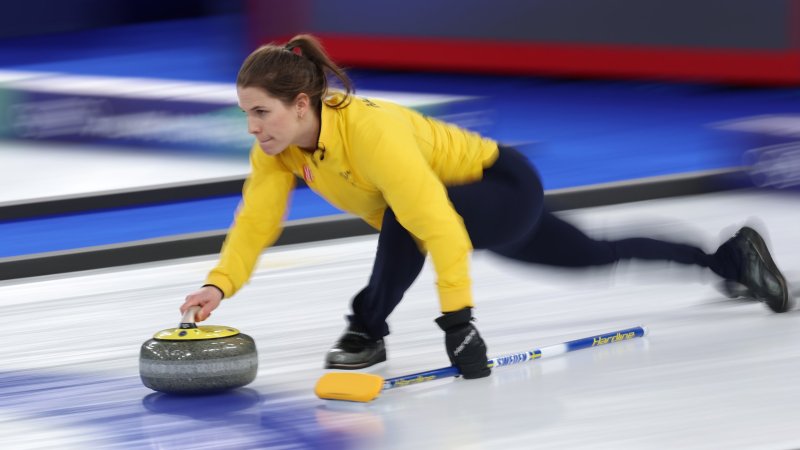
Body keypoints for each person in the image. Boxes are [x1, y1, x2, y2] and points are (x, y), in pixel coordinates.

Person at [180, 35, 791, 379]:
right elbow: (256, 220)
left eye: (261, 112)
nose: (253, 127)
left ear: (302, 103)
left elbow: (434, 223)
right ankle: (730, 259)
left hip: (503, 186)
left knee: (405, 218)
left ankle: (367, 330)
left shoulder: (370, 132)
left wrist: (458, 323)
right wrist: (219, 283)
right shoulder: (278, 150)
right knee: (594, 255)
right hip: (471, 211)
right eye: (246, 114)